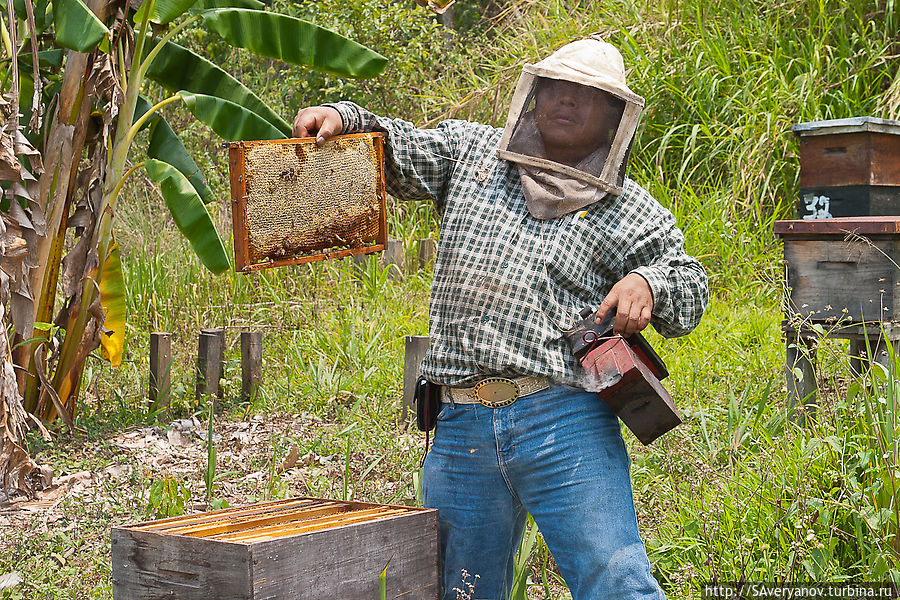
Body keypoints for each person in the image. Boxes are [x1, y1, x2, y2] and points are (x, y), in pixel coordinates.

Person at [293, 35, 707, 600]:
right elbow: (398, 149)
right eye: (556, 86)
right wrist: (342, 116)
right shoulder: (472, 154)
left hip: (564, 419)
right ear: (533, 94)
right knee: (463, 591)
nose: (566, 100)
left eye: (587, 94)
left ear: (615, 117)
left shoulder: (626, 206)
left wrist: (648, 283)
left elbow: (690, 285)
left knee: (615, 585)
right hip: (461, 420)